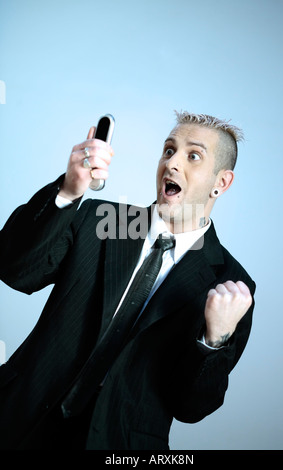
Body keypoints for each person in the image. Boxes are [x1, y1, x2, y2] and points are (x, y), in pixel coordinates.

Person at [0, 111, 255, 450]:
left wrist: (213, 339)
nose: (172, 163)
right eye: (168, 150)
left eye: (193, 155)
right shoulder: (99, 220)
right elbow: (17, 271)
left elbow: (191, 407)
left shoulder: (232, 283)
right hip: (18, 420)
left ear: (221, 183)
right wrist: (67, 192)